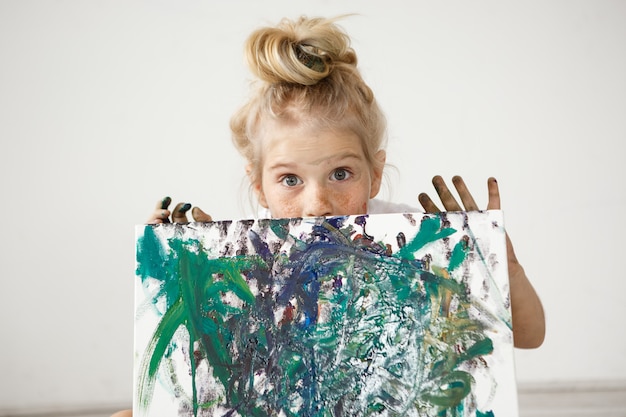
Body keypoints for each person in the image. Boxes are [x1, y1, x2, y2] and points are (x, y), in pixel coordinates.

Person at [115, 15, 544, 417]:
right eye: (289, 180)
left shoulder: (420, 251)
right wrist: (182, 278)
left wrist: (499, 268)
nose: (318, 201)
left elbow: (528, 336)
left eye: (341, 174)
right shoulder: (240, 265)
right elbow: (203, 379)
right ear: (258, 184)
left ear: (375, 175)